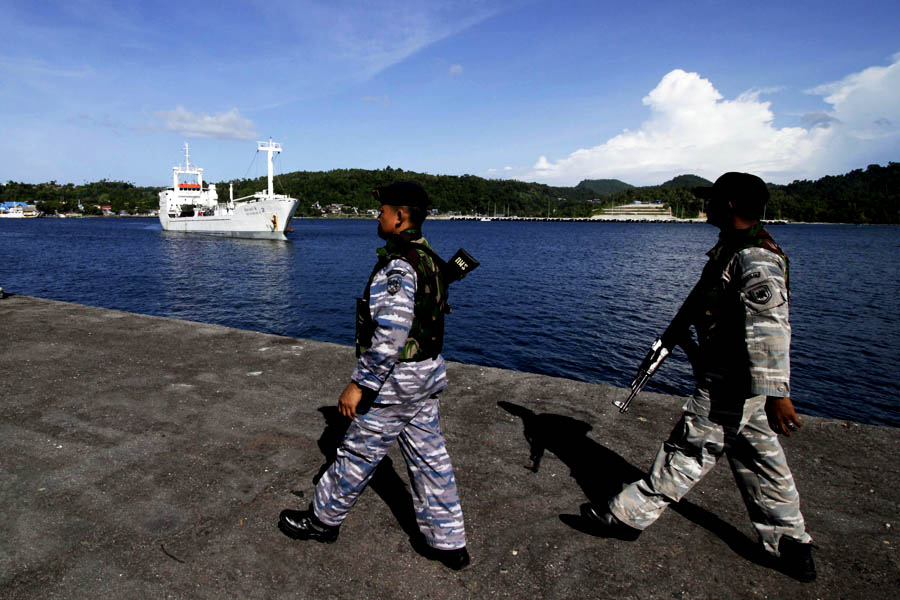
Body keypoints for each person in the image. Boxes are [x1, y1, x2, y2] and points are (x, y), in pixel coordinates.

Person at [581, 172, 816, 582]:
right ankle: (789, 541)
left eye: (712, 199)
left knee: (689, 448)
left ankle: (626, 516)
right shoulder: (731, 249)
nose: (705, 205)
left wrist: (778, 392)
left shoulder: (755, 258)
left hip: (734, 380)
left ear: (729, 204)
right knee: (761, 460)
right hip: (739, 381)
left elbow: (770, 329)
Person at [278, 181, 469, 570]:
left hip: (396, 383)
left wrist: (359, 385)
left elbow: (390, 337)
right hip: (427, 375)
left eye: (382, 210)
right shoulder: (429, 258)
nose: (377, 216)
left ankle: (322, 521)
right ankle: (448, 542)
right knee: (430, 458)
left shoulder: (399, 266)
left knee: (357, 452)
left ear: (400, 217)